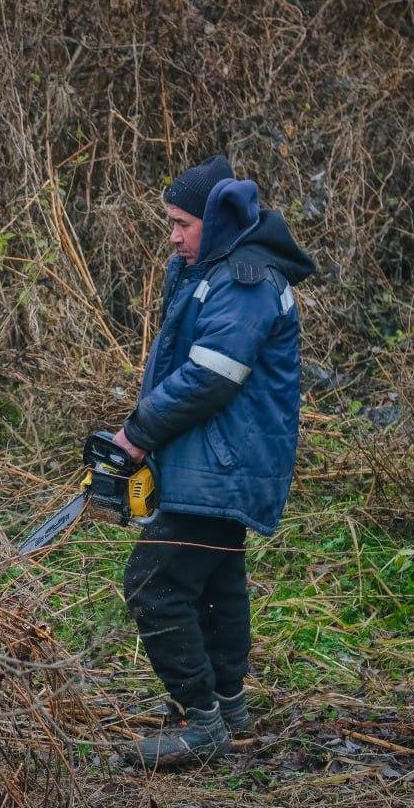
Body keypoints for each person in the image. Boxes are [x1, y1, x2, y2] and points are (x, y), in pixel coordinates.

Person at [112, 154, 315, 768]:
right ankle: (227, 707)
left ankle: (199, 723)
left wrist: (137, 433)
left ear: (217, 219)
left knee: (153, 584)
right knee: (215, 584)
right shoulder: (215, 270)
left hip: (222, 465)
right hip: (213, 462)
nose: (173, 237)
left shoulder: (246, 281)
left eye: (182, 224)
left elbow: (210, 375)